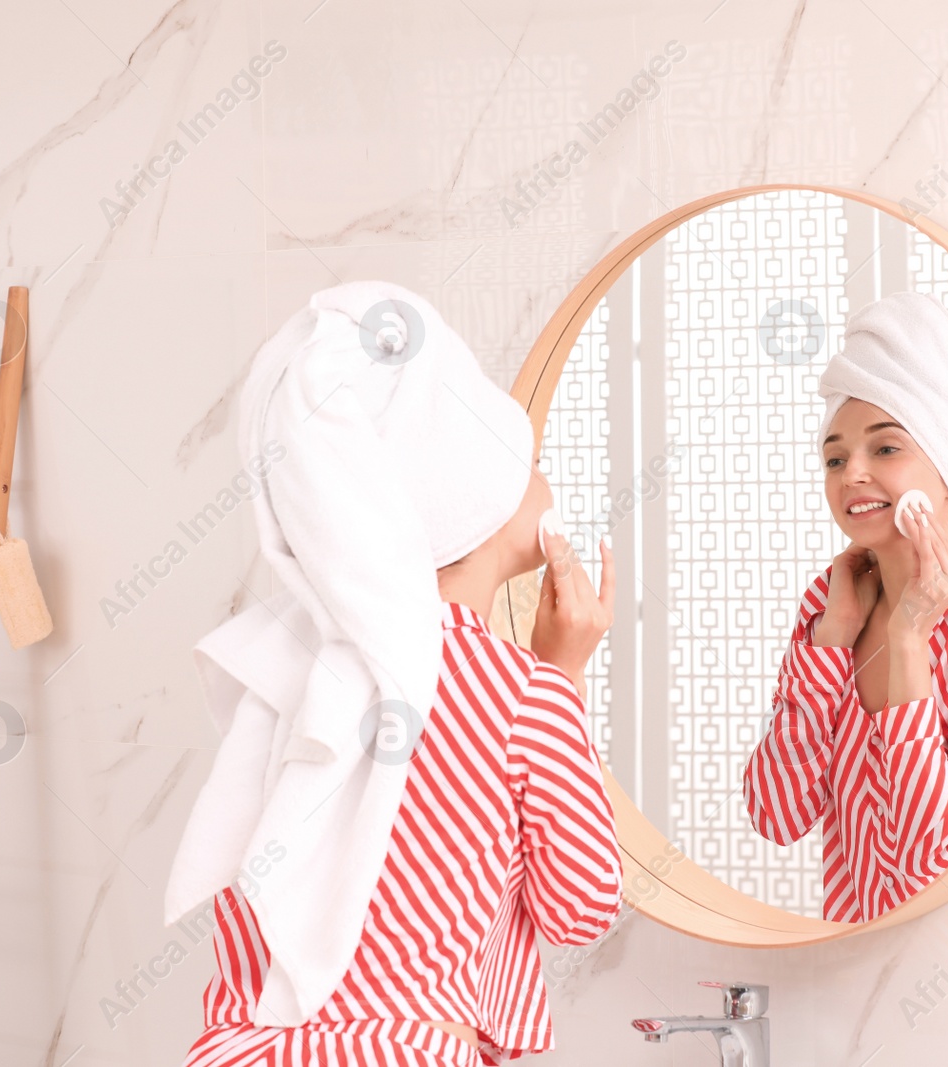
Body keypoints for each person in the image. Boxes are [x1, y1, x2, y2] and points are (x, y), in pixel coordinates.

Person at [163, 281, 623, 1065]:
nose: (544, 476)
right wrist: (562, 680)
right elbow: (580, 905)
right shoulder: (521, 693)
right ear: (478, 499)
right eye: (531, 459)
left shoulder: (289, 660)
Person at [742, 290, 948, 924]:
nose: (851, 475)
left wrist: (910, 639)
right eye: (834, 457)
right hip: (857, 973)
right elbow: (776, 815)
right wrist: (831, 645)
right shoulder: (830, 608)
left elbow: (933, 864)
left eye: (886, 448)